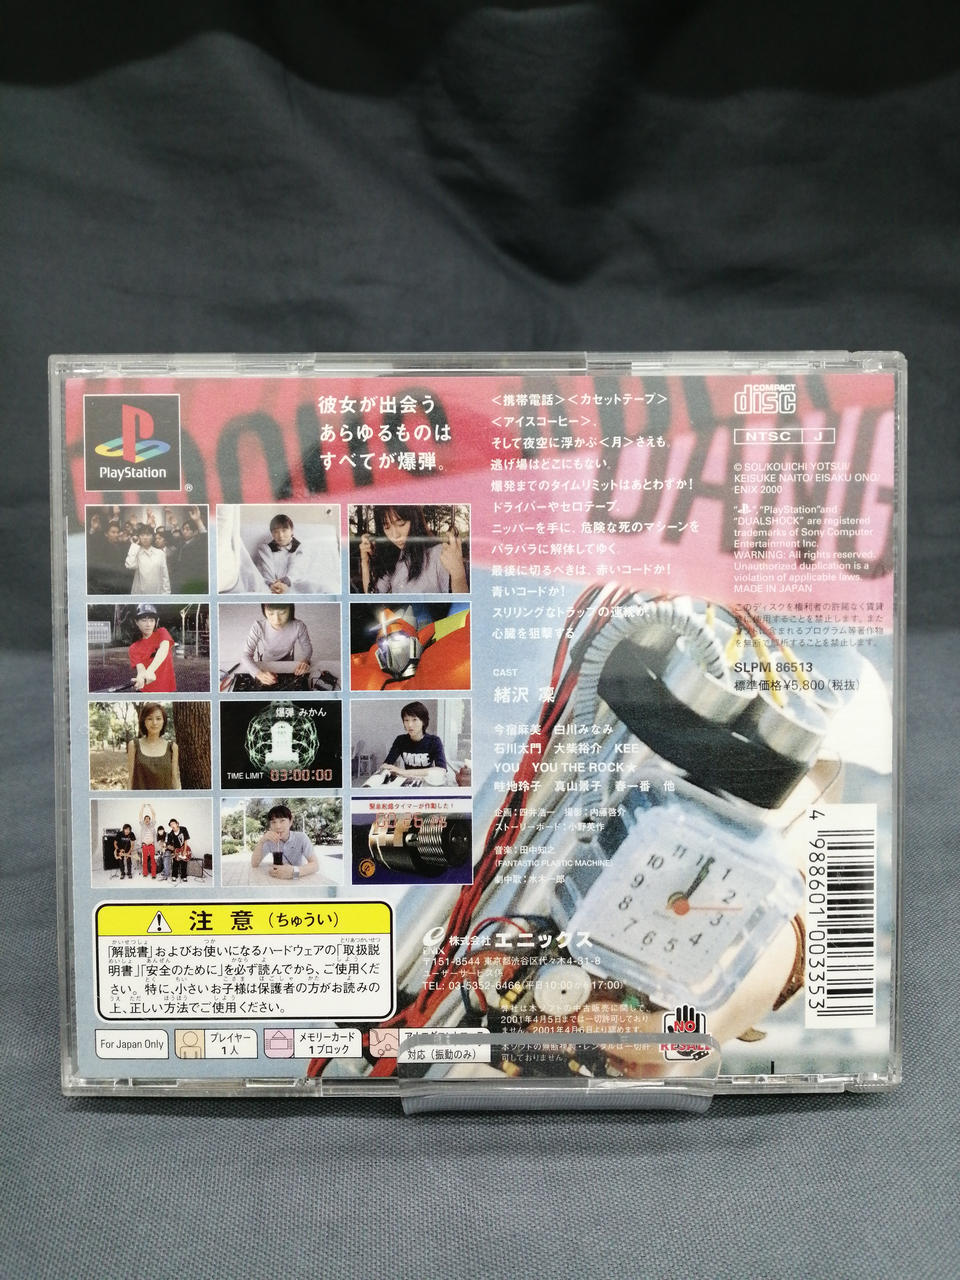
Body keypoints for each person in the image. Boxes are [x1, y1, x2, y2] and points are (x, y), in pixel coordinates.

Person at [359, 506, 467, 594]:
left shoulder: (438, 554)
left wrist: (459, 575)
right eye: (387, 527)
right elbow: (373, 595)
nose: (395, 535)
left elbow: (462, 607)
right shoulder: (394, 556)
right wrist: (365, 561)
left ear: (416, 521)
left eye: (401, 524)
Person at [240, 603, 313, 685]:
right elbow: (246, 655)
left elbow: (307, 647)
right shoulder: (258, 626)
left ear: (290, 610)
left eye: (282, 613)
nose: (277, 620)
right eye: (271, 613)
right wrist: (258, 674)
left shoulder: (298, 626)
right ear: (264, 611)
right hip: (266, 662)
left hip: (287, 663)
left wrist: (305, 660)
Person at [381, 701, 448, 781]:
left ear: (423, 721)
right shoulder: (400, 740)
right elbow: (387, 764)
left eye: (414, 720)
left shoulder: (434, 741)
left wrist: (403, 772)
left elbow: (441, 770)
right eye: (406, 720)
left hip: (427, 782)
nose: (410, 725)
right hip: (408, 782)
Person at [251, 804, 319, 881]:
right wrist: (262, 841)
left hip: (298, 879)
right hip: (277, 879)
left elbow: (315, 865)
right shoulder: (270, 840)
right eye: (273, 822)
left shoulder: (301, 838)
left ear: (290, 821)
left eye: (282, 820)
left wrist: (294, 872)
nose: (278, 826)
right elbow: (254, 864)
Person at [127, 702, 180, 790]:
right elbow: (130, 779)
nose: (154, 723)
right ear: (144, 721)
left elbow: (174, 779)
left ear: (163, 721)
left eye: (158, 718)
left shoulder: (172, 747)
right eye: (149, 718)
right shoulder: (134, 745)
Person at [128, 603, 176, 692]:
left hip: (168, 690)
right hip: (147, 692)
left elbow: (163, 650)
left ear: (156, 621)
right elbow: (141, 669)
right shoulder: (133, 648)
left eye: (152, 620)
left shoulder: (162, 632)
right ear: (136, 622)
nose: (148, 624)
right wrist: (140, 678)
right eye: (144, 620)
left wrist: (150, 670)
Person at [255, 514, 304, 594]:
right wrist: (273, 585)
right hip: (271, 587)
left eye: (284, 530)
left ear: (291, 530)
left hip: (294, 585)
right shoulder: (266, 549)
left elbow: (297, 569)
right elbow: (266, 572)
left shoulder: (299, 548)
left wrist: (286, 582)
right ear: (272, 533)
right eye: (276, 532)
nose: (280, 535)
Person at [125, 523, 171, 595]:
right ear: (138, 537)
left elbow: (165, 576)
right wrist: (134, 545)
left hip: (156, 593)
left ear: (152, 536)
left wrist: (166, 594)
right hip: (139, 594)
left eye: (148, 534)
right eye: (142, 535)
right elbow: (130, 565)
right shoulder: (136, 551)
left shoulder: (160, 553)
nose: (145, 537)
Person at [172, 508, 208, 593]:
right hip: (180, 581)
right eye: (183, 529)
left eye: (187, 529)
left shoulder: (199, 544)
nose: (184, 531)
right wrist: (175, 526)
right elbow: (173, 538)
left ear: (195, 532)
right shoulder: (181, 543)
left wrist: (198, 520)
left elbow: (204, 536)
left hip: (193, 582)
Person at [166, 817, 191, 882]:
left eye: (173, 823)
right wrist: (169, 847)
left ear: (177, 824)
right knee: (175, 862)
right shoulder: (170, 834)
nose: (172, 825)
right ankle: (174, 875)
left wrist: (184, 850)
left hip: (184, 848)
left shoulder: (183, 829)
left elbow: (185, 840)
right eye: (171, 825)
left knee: (184, 863)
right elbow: (169, 845)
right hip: (176, 850)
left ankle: (184, 876)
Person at [138, 802, 158, 878]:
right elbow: (140, 815)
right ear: (144, 820)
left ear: (150, 820)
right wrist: (142, 807)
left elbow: (154, 814)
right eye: (145, 819)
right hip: (144, 845)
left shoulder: (152, 825)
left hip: (151, 845)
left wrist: (150, 807)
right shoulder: (142, 825)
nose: (147, 820)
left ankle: (153, 874)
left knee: (153, 860)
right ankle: (145, 873)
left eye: (148, 819)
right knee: (145, 860)